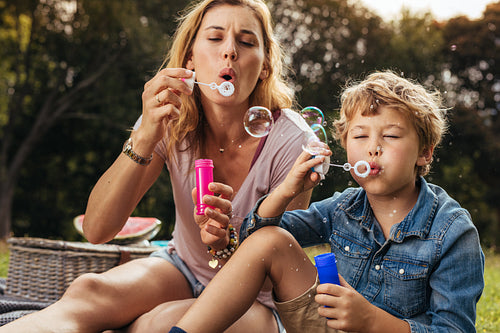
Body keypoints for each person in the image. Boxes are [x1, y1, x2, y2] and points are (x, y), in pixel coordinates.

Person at [0, 0, 315, 332]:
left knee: (159, 322)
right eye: (215, 37)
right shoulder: (169, 116)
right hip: (183, 269)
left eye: (247, 42)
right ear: (190, 57)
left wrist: (226, 242)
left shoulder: (291, 142)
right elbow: (97, 229)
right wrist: (145, 137)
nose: (230, 52)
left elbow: (277, 266)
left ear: (265, 65)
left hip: (256, 298)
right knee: (89, 291)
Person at [169, 71, 485, 333]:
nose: (373, 148)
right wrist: (286, 190)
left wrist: (373, 321)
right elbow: (254, 242)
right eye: (360, 137)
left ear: (425, 152)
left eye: (390, 136)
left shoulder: (452, 231)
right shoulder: (343, 208)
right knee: (271, 239)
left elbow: (454, 330)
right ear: (346, 148)